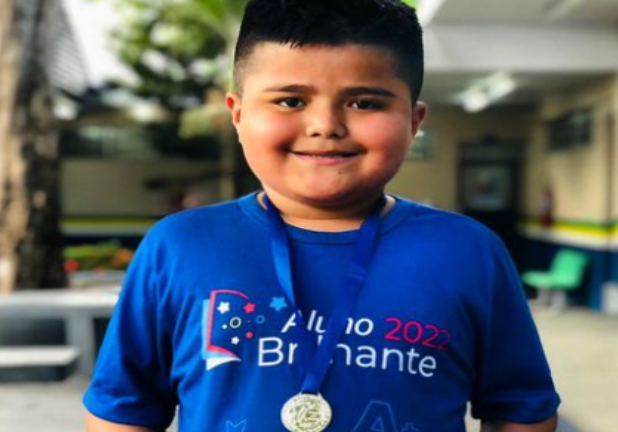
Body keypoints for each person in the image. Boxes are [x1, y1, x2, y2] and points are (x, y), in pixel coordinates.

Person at [84, 0, 561, 431]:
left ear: (414, 122)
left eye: (365, 103)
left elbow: (520, 409)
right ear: (238, 113)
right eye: (290, 100)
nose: (325, 126)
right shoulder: (179, 245)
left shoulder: (468, 251)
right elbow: (123, 411)